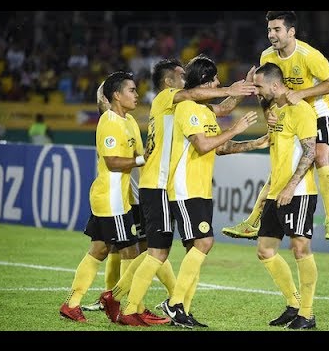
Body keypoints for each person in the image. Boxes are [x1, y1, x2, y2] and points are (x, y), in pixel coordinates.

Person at [99, 58, 258, 327]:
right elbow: (199, 95)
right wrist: (231, 88)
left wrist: (243, 88)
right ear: (169, 81)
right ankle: (134, 306)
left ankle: (119, 298)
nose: (186, 79)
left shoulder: (184, 105)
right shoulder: (166, 98)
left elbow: (218, 108)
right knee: (159, 253)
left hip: (162, 184)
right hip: (158, 184)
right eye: (182, 75)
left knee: (155, 251)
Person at [154, 54, 267, 328]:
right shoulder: (187, 108)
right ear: (205, 81)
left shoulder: (204, 111)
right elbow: (204, 146)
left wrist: (257, 142)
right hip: (184, 187)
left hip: (200, 189)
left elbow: (221, 145)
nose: (218, 83)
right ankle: (174, 303)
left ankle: (181, 311)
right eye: (214, 79)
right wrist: (235, 128)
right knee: (204, 243)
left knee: (198, 245)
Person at [222, 11, 329, 241]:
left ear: (291, 32)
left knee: (319, 156)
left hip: (320, 112)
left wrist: (302, 93)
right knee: (281, 167)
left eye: (277, 29)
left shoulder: (309, 55)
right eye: (269, 30)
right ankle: (252, 221)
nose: (271, 35)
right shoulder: (267, 56)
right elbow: (261, 89)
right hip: (290, 115)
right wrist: (268, 115)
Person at [59, 71, 151, 324]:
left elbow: (141, 157)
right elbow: (112, 162)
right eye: (131, 90)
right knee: (132, 252)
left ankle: (72, 304)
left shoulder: (130, 121)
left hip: (119, 197)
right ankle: (123, 305)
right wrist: (144, 159)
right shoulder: (109, 122)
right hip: (111, 200)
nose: (137, 94)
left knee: (99, 249)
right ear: (117, 96)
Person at [254, 62, 319, 329]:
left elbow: (310, 151)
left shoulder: (300, 109)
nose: (257, 90)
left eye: (259, 86)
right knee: (265, 250)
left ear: (275, 84)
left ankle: (307, 313)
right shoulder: (275, 110)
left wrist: (291, 186)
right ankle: (293, 304)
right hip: (275, 192)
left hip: (298, 191)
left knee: (300, 249)